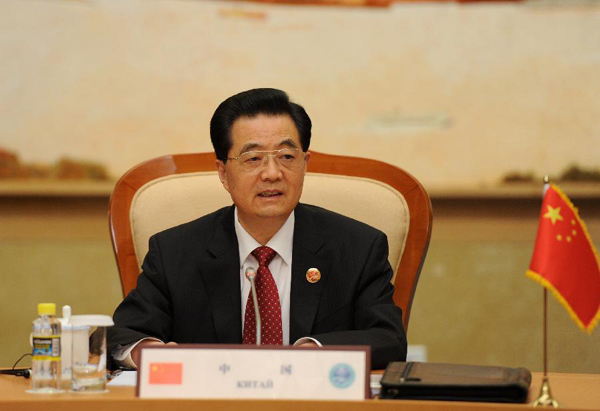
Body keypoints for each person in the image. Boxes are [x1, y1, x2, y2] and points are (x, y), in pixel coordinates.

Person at [107, 88, 407, 370]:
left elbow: (388, 338)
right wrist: (150, 351)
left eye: (287, 157)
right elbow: (125, 334)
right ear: (223, 173)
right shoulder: (175, 251)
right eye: (253, 159)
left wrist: (314, 351)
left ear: (305, 164)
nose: (272, 174)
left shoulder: (358, 247)